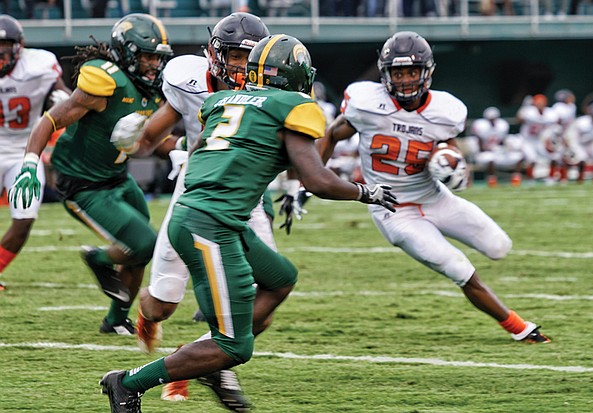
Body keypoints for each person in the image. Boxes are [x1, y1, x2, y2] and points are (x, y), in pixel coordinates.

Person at [99, 33, 397, 412]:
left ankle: (205, 355)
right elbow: (319, 180)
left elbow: (217, 151)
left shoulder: (222, 100)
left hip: (208, 211)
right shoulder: (294, 106)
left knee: (280, 277)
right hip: (210, 223)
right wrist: (366, 192)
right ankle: (127, 383)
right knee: (234, 346)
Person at [317, 31, 550, 345]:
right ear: (385, 74)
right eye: (398, 73)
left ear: (426, 72)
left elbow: (448, 147)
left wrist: (452, 162)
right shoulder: (366, 104)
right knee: (458, 268)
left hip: (435, 197)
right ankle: (519, 328)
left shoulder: (446, 110)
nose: (404, 81)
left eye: (411, 72)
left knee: (499, 247)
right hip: (394, 211)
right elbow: (332, 134)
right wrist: (311, 179)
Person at [109, 12, 274, 408]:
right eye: (234, 56)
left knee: (266, 300)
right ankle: (152, 317)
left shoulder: (272, 88)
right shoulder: (187, 78)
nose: (241, 66)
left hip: (246, 199)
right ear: (215, 54)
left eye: (249, 59)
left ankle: (205, 357)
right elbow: (151, 139)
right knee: (161, 304)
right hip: (196, 192)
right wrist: (134, 138)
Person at [8, 13, 173, 335]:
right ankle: (98, 260)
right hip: (82, 184)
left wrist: (180, 149)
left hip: (117, 178)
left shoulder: (152, 90)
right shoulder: (105, 82)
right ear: (127, 53)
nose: (154, 64)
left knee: (139, 252)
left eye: (158, 57)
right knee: (144, 243)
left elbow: (150, 143)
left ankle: (115, 320)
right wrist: (30, 161)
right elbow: (51, 120)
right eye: (148, 56)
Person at [0, 14, 71, 291]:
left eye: (5, 47)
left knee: (25, 217)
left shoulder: (39, 66)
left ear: (20, 46)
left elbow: (61, 93)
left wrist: (61, 98)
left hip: (23, 150)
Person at [469, 106, 523, 187]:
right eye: (490, 119)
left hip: (498, 152)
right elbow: (480, 146)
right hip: (483, 154)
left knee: (519, 156)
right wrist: (490, 148)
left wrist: (504, 148)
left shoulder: (502, 125)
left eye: (494, 118)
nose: (492, 121)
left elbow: (502, 141)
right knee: (491, 158)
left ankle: (516, 179)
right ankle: (492, 181)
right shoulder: (480, 126)